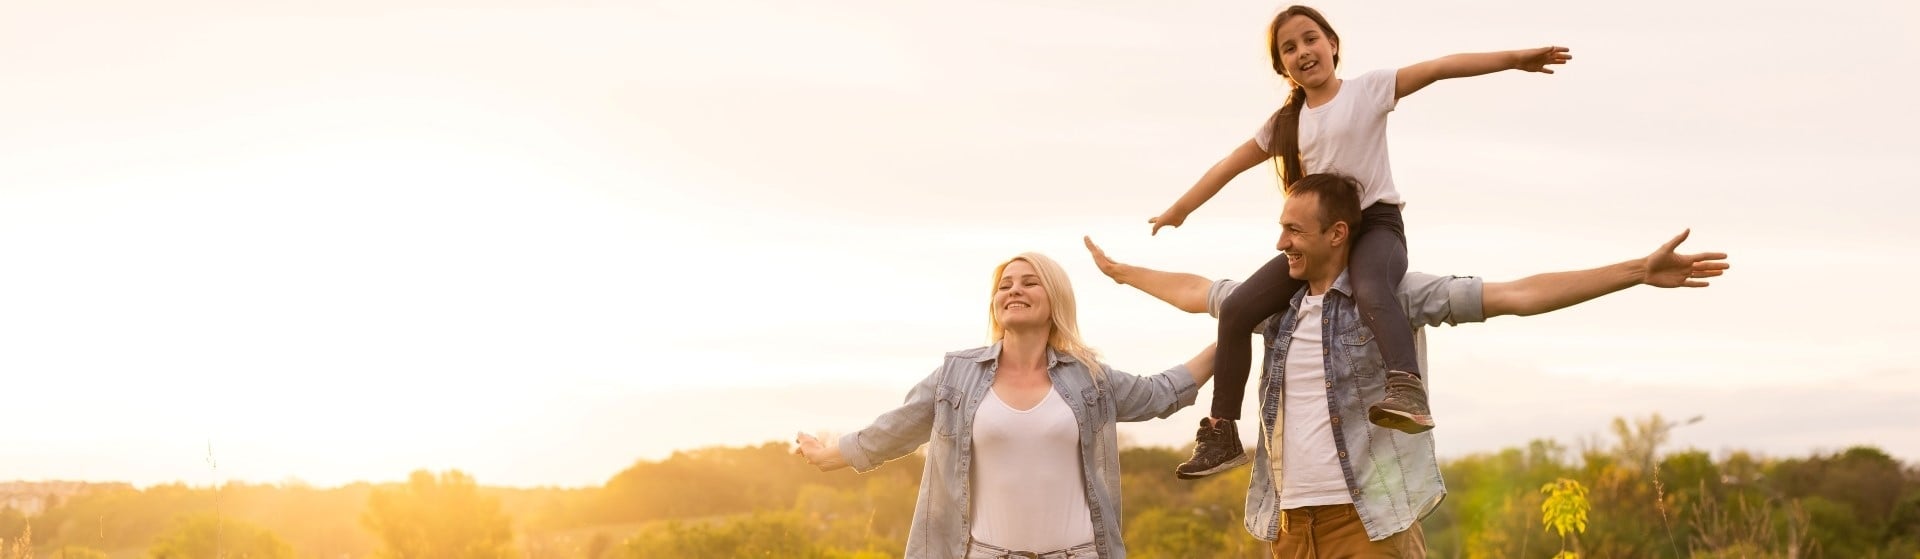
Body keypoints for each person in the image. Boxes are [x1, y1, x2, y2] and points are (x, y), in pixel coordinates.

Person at [1091, 173, 1730, 557]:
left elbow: (1516, 295)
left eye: (1293, 230)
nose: (1280, 242)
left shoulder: (1396, 298)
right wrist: (1123, 275)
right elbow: (1195, 290)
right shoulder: (1275, 307)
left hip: (1368, 524)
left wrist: (1634, 273)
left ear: (1337, 233)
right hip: (1288, 524)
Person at [1149, 4, 1575, 478]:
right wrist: (1180, 209)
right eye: (1289, 48)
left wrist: (1514, 58)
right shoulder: (1285, 124)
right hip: (1319, 238)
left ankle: (1406, 387)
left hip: (1375, 226)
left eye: (1310, 39)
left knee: (1372, 288)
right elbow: (1230, 163)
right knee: (1237, 308)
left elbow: (1438, 69)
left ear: (1332, 44)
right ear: (1281, 66)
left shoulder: (1369, 90)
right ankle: (1222, 431)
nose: (1303, 51)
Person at [791, 252, 1218, 559]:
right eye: (1005, 285)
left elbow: (1160, 392)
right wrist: (831, 455)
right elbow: (896, 428)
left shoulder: (1090, 378)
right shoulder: (957, 375)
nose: (1014, 290)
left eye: (1029, 282)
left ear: (1054, 299)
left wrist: (1234, 331)